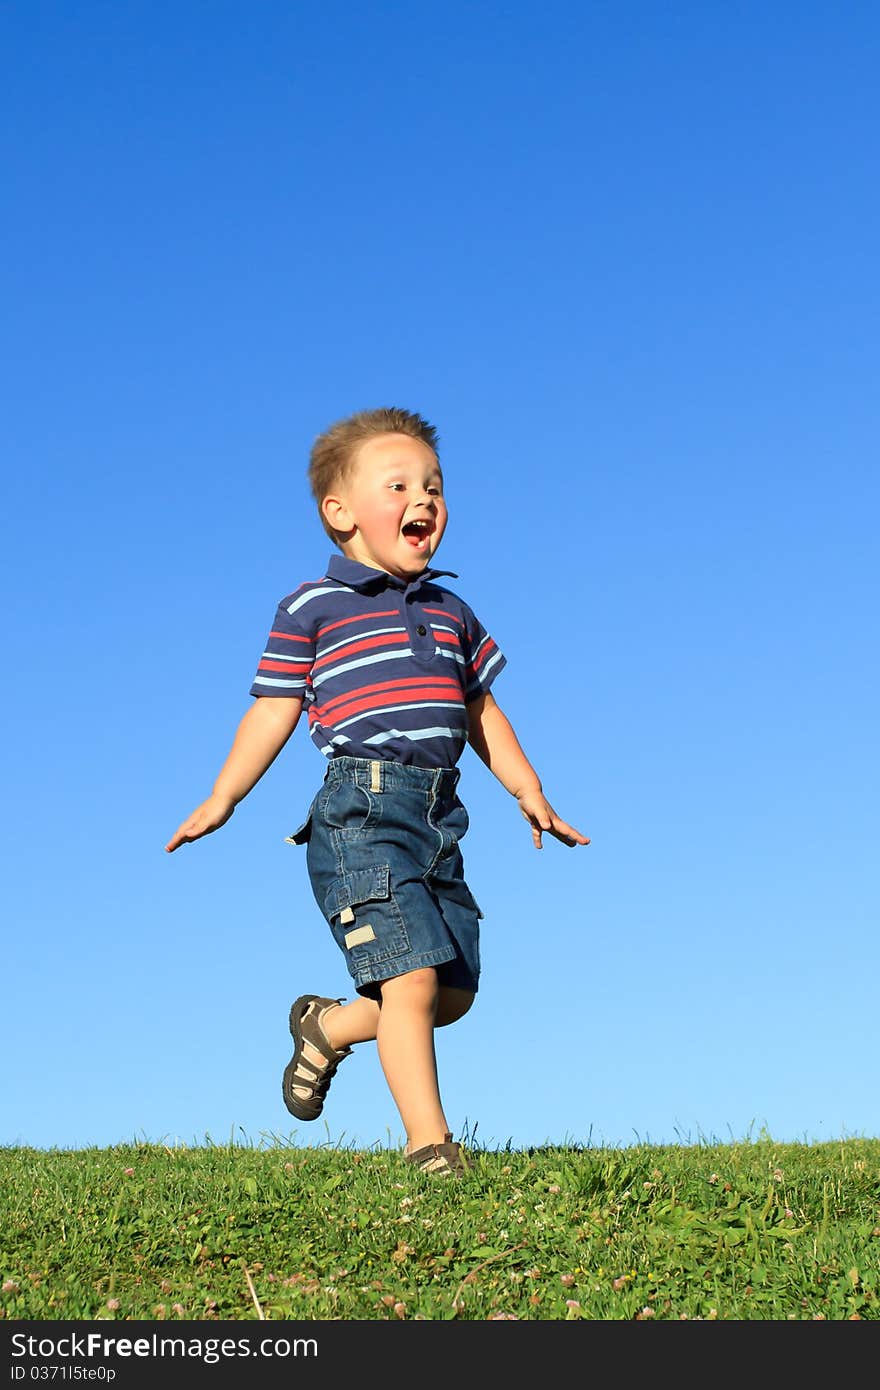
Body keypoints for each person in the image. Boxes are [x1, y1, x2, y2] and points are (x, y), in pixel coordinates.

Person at [166, 406, 589, 1176]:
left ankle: (325, 1029)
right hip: (359, 811)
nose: (422, 499)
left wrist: (530, 789)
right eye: (398, 485)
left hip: (438, 813)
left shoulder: (452, 611)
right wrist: (224, 795)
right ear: (341, 513)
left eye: (433, 485)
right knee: (412, 978)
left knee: (450, 993)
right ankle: (431, 1144)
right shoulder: (312, 607)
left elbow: (480, 711)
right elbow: (272, 709)